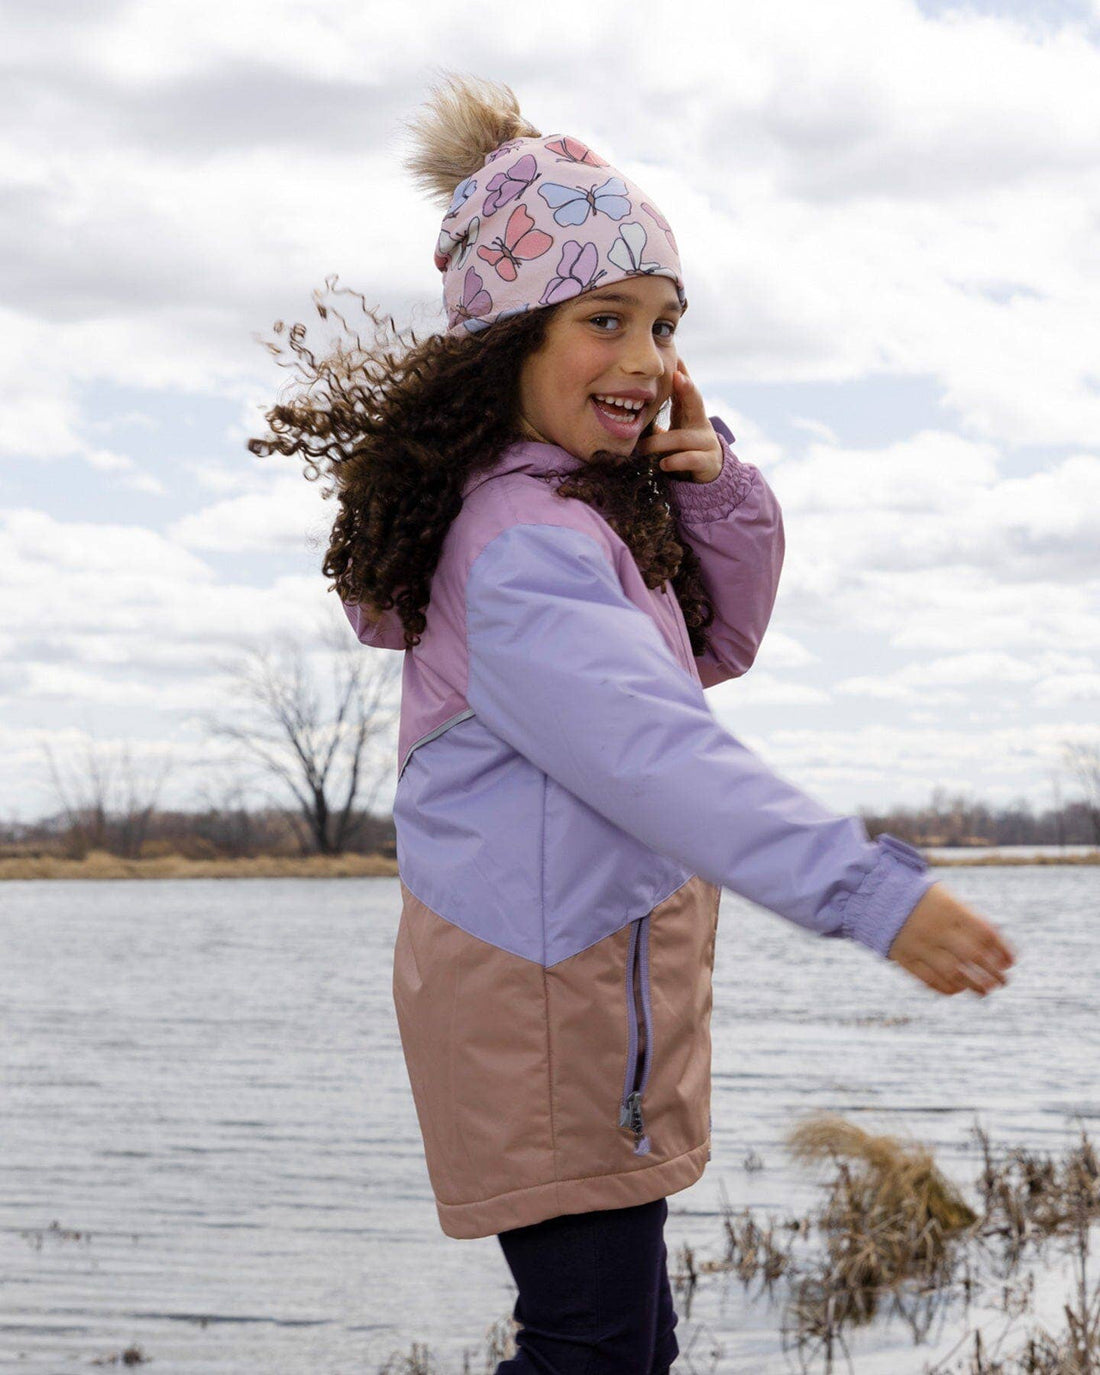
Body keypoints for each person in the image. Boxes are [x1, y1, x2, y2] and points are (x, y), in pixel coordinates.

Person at [250, 70, 1017, 1375]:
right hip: (544, 1011)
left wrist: (712, 488)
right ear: (511, 342)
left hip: (587, 1007)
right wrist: (867, 893)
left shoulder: (575, 521)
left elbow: (708, 653)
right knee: (597, 1355)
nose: (647, 359)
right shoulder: (522, 549)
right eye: (605, 319)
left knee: (615, 1351)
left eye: (664, 323)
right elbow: (663, 756)